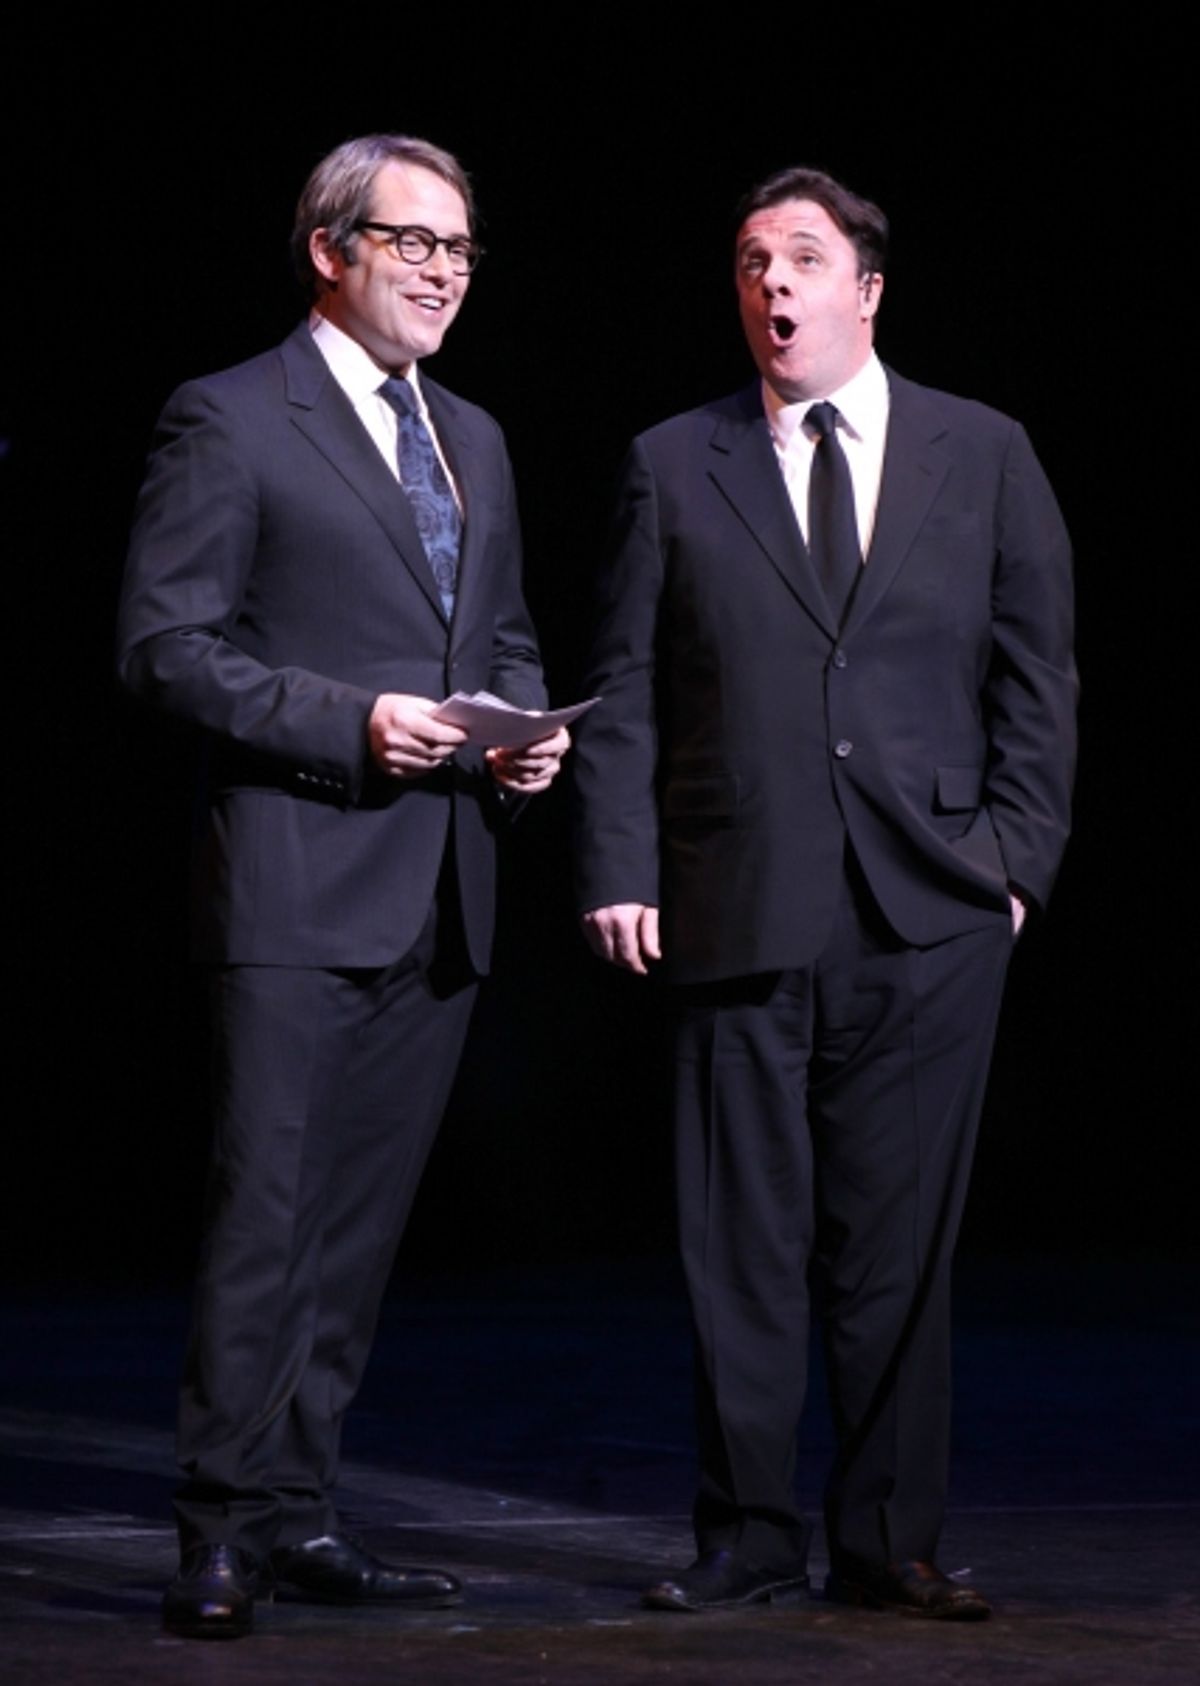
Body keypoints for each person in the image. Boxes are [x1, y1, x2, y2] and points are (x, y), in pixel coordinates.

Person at [574, 166, 1075, 1620]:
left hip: (931, 908)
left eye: (799, 257)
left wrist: (1015, 864)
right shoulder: (676, 461)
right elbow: (620, 689)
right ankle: (743, 1532)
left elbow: (1039, 676)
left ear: (865, 289)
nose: (768, 284)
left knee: (899, 1247)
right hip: (735, 897)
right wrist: (615, 860)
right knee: (739, 1239)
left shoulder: (983, 452)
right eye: (746, 260)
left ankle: (889, 1537)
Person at [118, 133, 569, 1640]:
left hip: (442, 886)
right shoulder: (233, 419)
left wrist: (522, 733)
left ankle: (302, 1510)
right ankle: (216, 1530)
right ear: (330, 248)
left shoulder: (477, 438)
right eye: (412, 241)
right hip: (299, 884)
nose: (443, 270)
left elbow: (498, 637)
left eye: (459, 247)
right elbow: (166, 647)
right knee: (268, 1217)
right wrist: (351, 721)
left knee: (359, 1233)